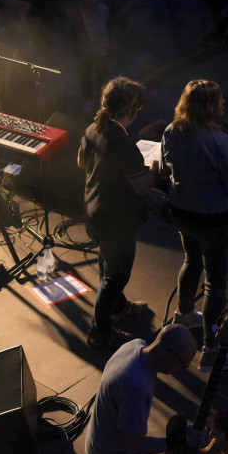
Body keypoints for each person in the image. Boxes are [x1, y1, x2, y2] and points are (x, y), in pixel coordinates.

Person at [161, 79, 228, 372]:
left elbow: (167, 169)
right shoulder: (221, 142)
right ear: (209, 107)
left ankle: (183, 313)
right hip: (213, 219)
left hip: (183, 213)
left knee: (191, 259)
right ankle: (211, 350)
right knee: (216, 282)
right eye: (220, 100)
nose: (224, 104)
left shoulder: (171, 132)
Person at [78, 77, 158, 349]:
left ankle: (119, 308)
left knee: (106, 260)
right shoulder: (125, 147)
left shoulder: (92, 129)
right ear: (131, 109)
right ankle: (99, 331)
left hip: (94, 210)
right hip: (117, 219)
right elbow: (142, 188)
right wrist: (155, 168)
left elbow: (81, 163)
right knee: (117, 275)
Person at [84, 324, 200, 454]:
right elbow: (135, 446)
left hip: (102, 442)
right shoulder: (136, 387)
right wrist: (179, 442)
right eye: (184, 364)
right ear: (171, 356)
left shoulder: (134, 345)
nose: (181, 369)